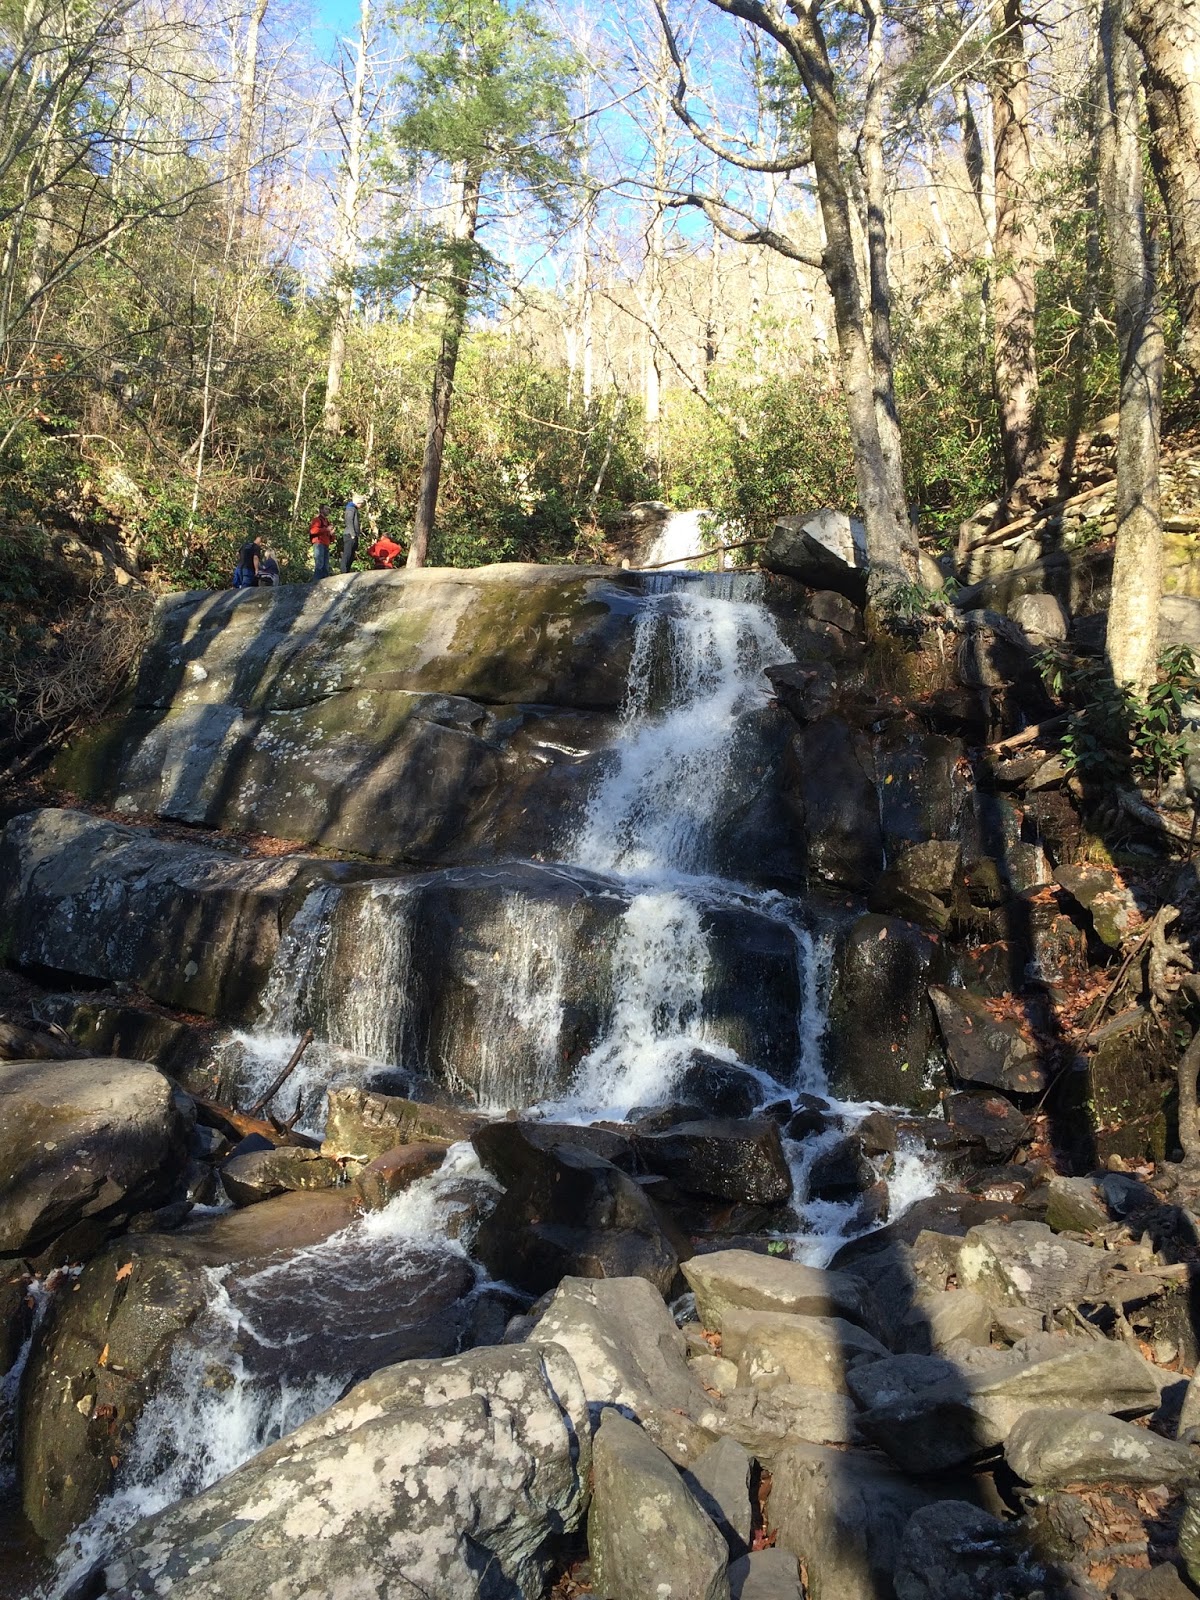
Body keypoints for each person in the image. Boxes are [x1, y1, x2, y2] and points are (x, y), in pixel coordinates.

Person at [310, 503, 333, 579]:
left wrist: (331, 534)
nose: (328, 511)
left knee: (326, 565)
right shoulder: (317, 520)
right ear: (321, 510)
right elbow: (313, 531)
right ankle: (316, 582)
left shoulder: (327, 522)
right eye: (326, 509)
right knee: (319, 564)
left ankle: (325, 581)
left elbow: (331, 537)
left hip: (326, 544)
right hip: (319, 543)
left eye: (328, 509)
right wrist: (326, 529)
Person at [342, 493, 361, 573]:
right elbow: (349, 521)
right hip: (350, 535)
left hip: (353, 534)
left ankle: (347, 571)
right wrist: (353, 534)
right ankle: (344, 571)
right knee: (347, 554)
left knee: (351, 555)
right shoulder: (350, 508)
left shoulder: (354, 509)